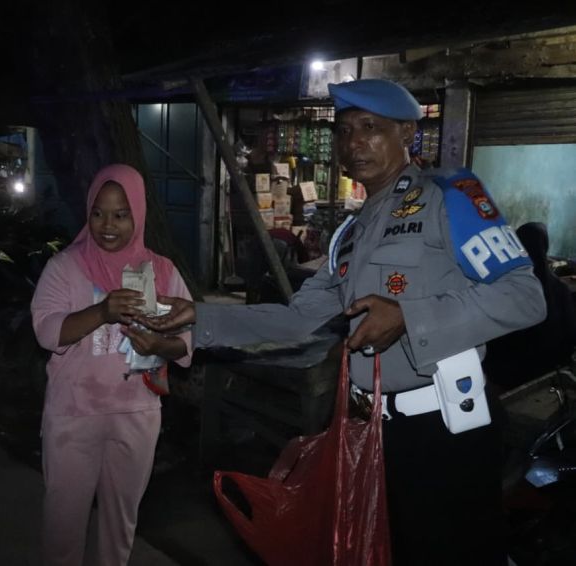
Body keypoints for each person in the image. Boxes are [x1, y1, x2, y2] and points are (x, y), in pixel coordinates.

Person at [142, 79, 546, 565]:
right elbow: (298, 321)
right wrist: (201, 317)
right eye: (345, 130)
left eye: (371, 128)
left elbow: (525, 296)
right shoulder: (350, 236)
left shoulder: (449, 196)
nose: (353, 143)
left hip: (443, 433)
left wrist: (410, 315)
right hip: (371, 434)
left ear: (408, 134)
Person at [31, 164, 193, 566]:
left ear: (137, 215)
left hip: (136, 413)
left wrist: (160, 343)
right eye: (98, 213)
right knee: (63, 522)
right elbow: (47, 331)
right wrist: (102, 311)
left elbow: (187, 341)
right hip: (73, 415)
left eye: (121, 214)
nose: (108, 225)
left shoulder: (161, 270)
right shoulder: (64, 267)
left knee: (120, 524)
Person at [483, 221, 576, 389]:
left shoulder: (508, 288)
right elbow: (570, 336)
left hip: (511, 377)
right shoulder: (560, 289)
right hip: (552, 371)